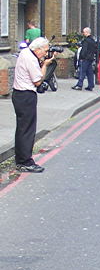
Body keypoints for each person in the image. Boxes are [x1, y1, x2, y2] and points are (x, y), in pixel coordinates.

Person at [12, 37, 55, 173]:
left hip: (19, 95)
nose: (45, 53)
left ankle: (21, 160)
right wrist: (45, 65)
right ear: (38, 49)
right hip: (26, 96)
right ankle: (25, 162)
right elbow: (37, 81)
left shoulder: (25, 53)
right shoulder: (31, 59)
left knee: (22, 129)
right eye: (45, 51)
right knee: (27, 130)